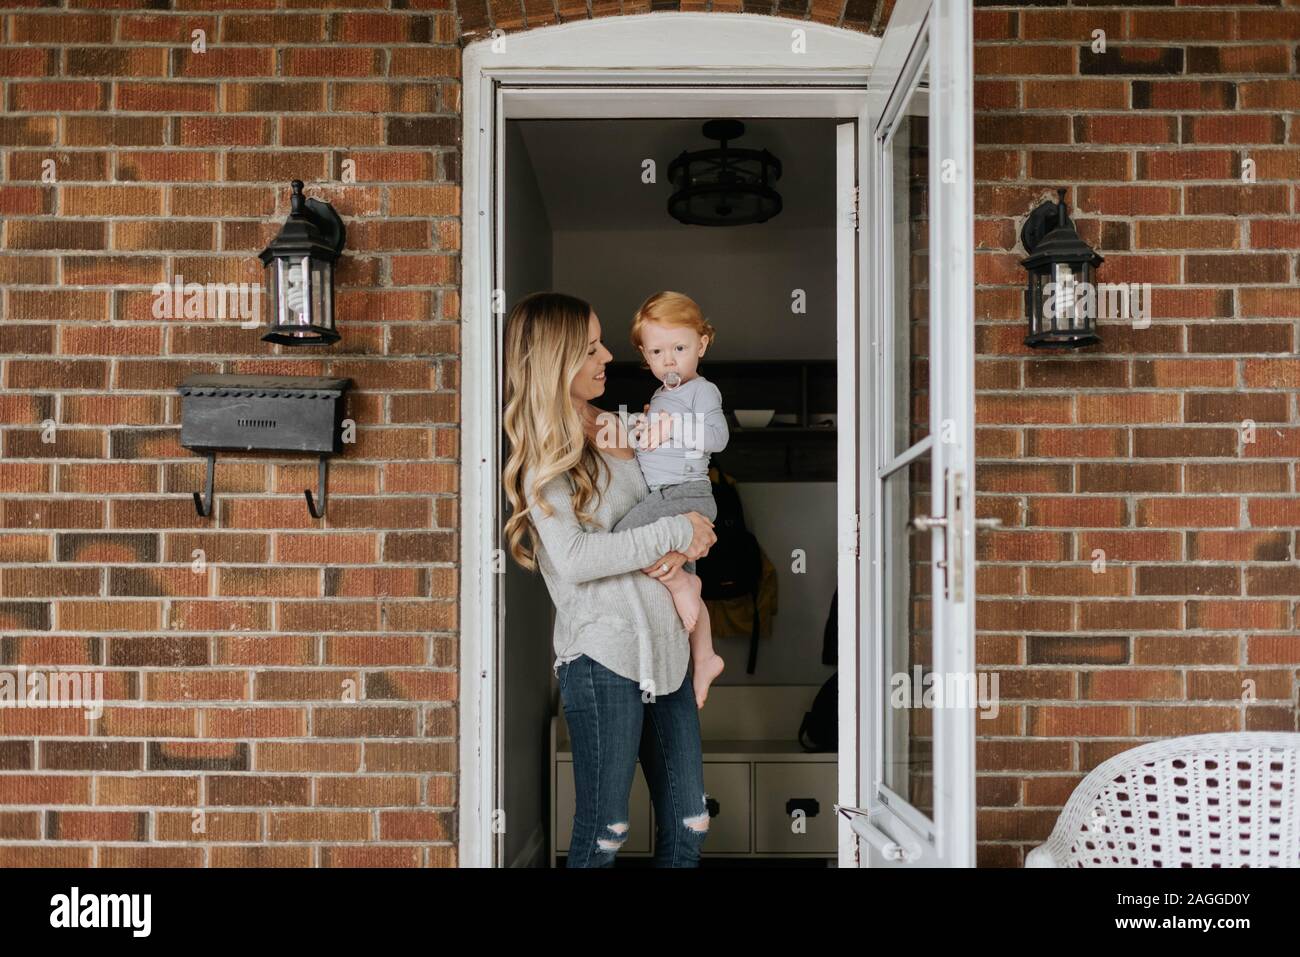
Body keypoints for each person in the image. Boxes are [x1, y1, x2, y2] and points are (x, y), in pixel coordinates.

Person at [502, 290, 718, 867]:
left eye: (601, 344)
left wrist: (690, 542)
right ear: (554, 359)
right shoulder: (543, 457)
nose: (606, 358)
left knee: (689, 822)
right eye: (590, 347)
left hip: (668, 653)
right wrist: (675, 530)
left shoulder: (625, 424)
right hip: (602, 658)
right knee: (605, 832)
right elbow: (574, 558)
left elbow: (669, 508)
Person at [614, 291, 729, 708]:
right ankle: (705, 657)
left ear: (702, 344)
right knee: (683, 594)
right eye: (658, 351)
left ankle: (685, 582)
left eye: (680, 348)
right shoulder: (663, 394)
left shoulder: (702, 391)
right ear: (645, 355)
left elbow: (718, 437)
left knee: (623, 537)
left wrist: (671, 428)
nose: (669, 360)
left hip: (687, 496)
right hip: (670, 495)